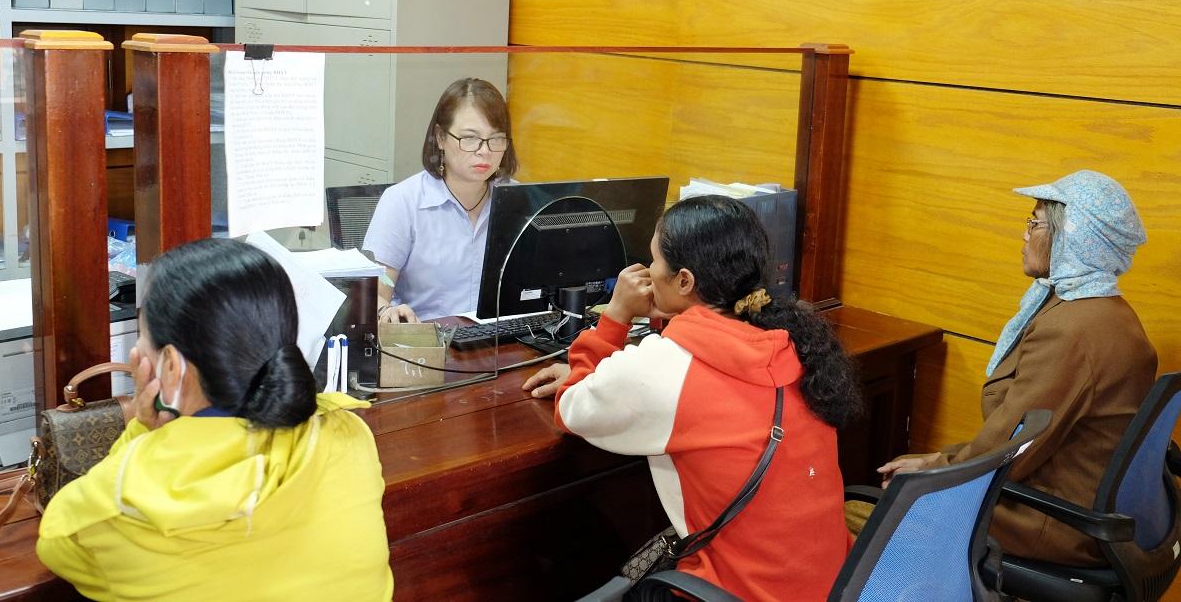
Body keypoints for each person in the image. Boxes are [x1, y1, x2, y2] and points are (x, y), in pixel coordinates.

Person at [37, 238, 394, 602]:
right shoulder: (349, 435)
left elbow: (55, 540)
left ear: (170, 367)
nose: (136, 351)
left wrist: (142, 430)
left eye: (142, 336)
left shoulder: (121, 505)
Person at [554, 195, 861, 601]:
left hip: (739, 593)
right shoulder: (795, 343)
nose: (649, 271)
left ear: (684, 280)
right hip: (833, 584)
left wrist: (614, 318)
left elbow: (572, 409)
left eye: (654, 260)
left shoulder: (667, 366)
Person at [878, 169, 1158, 566]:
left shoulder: (1073, 331)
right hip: (1077, 500)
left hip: (1052, 521)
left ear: (1072, 237)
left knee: (874, 513)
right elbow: (1021, 435)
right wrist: (939, 459)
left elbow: (1010, 449)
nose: (1025, 234)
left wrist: (933, 470)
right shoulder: (1110, 312)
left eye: (1035, 223)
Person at [363, 77, 518, 323]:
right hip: (428, 339)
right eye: (470, 138)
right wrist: (386, 311)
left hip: (505, 339)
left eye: (496, 138)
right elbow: (376, 292)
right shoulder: (403, 202)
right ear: (440, 137)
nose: (484, 151)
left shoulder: (520, 202)